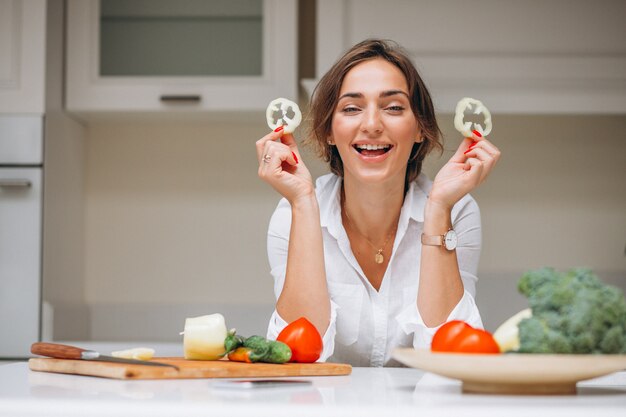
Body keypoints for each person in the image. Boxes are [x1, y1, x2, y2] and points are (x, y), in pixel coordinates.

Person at [255, 39, 501, 366]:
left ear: (420, 130)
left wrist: (440, 208)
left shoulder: (458, 210)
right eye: (352, 108)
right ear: (329, 130)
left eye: (394, 107)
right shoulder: (291, 214)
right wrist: (302, 203)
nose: (371, 125)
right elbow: (297, 354)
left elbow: (453, 354)